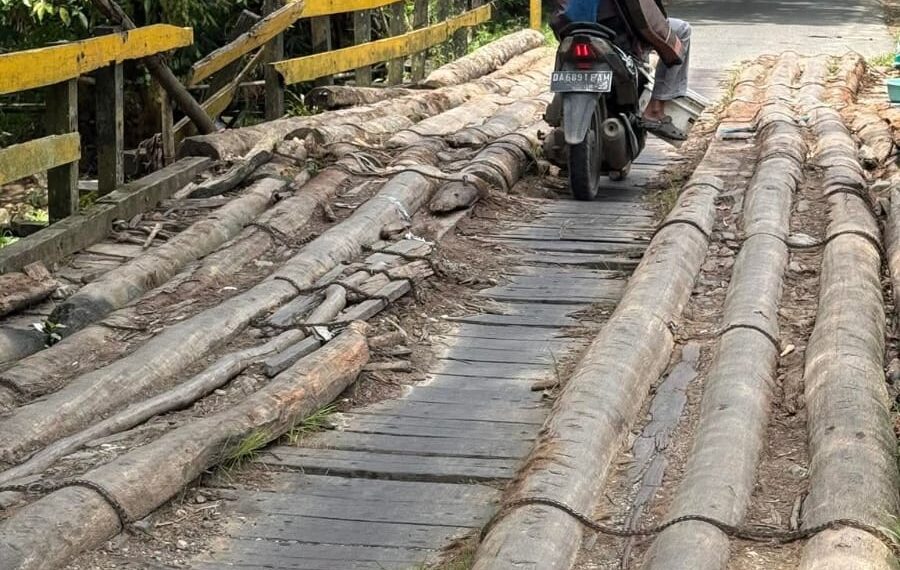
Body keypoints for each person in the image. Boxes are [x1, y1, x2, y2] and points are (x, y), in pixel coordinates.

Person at [551, 0, 692, 140]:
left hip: (568, 27)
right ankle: (655, 109)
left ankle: (559, 103)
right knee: (681, 30)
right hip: (616, 25)